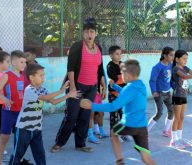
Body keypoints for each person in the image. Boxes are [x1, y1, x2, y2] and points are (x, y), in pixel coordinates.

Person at [80, 59, 156, 165]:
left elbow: (113, 106)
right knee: (146, 157)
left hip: (129, 123)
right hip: (142, 126)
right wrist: (115, 86)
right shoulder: (140, 85)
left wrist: (92, 105)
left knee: (113, 132)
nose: (121, 75)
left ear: (128, 75)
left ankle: (120, 161)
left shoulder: (129, 88)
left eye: (122, 73)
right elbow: (128, 94)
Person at [51, 17, 105, 153]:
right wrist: (73, 88)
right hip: (77, 86)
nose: (89, 34)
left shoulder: (98, 48)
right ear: (83, 33)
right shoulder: (77, 47)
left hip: (92, 87)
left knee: (85, 116)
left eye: (92, 31)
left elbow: (100, 68)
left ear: (96, 33)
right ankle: (59, 142)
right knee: (72, 116)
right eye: (86, 32)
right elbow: (71, 68)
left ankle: (80, 144)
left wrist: (102, 84)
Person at [9, 64, 80, 165]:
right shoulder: (29, 90)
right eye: (40, 75)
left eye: (44, 75)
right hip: (24, 129)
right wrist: (61, 91)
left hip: (37, 128)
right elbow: (46, 98)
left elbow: (53, 101)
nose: (43, 78)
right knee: (18, 154)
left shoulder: (42, 89)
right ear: (31, 78)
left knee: (40, 154)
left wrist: (68, 95)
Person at [0, 51, 27, 165]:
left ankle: (17, 160)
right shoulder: (7, 75)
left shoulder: (23, 76)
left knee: (19, 139)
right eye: (21, 62)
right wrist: (5, 99)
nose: (24, 64)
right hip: (9, 113)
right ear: (13, 62)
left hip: (20, 112)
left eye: (25, 62)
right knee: (4, 138)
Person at [147, 47, 175, 137]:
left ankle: (166, 131)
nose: (173, 57)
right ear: (164, 55)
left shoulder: (171, 65)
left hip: (167, 92)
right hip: (159, 93)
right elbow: (152, 80)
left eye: (173, 55)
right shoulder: (157, 67)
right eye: (171, 55)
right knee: (159, 113)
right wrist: (154, 91)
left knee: (172, 111)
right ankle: (145, 131)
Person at [106, 45, 132, 142]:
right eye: (117, 54)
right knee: (114, 115)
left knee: (123, 114)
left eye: (120, 54)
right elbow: (115, 79)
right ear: (111, 55)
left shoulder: (122, 64)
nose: (119, 56)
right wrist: (122, 76)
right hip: (114, 94)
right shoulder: (110, 66)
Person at [87, 72, 108, 144]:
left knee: (101, 113)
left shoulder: (99, 68)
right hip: (91, 94)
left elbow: (102, 78)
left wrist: (104, 90)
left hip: (98, 94)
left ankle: (101, 132)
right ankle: (90, 135)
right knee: (91, 114)